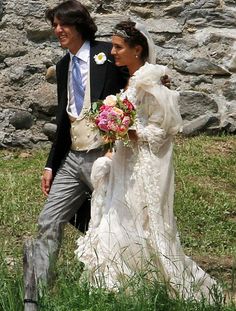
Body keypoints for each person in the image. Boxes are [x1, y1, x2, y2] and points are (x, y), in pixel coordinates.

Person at [75, 20, 221, 302]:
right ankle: (118, 288)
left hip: (142, 166)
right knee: (114, 220)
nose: (113, 51)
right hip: (122, 162)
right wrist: (112, 140)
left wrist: (127, 130)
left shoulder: (149, 80)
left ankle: (153, 284)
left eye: (118, 47)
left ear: (137, 49)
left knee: (140, 222)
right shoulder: (127, 80)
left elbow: (162, 131)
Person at [32, 0, 128, 286]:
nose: (57, 30)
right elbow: (64, 121)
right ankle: (36, 291)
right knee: (48, 220)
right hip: (74, 158)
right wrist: (51, 166)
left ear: (79, 26)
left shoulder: (106, 54)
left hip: (106, 155)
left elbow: (133, 87)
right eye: (55, 25)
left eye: (63, 24)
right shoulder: (63, 66)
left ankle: (119, 279)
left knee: (117, 221)